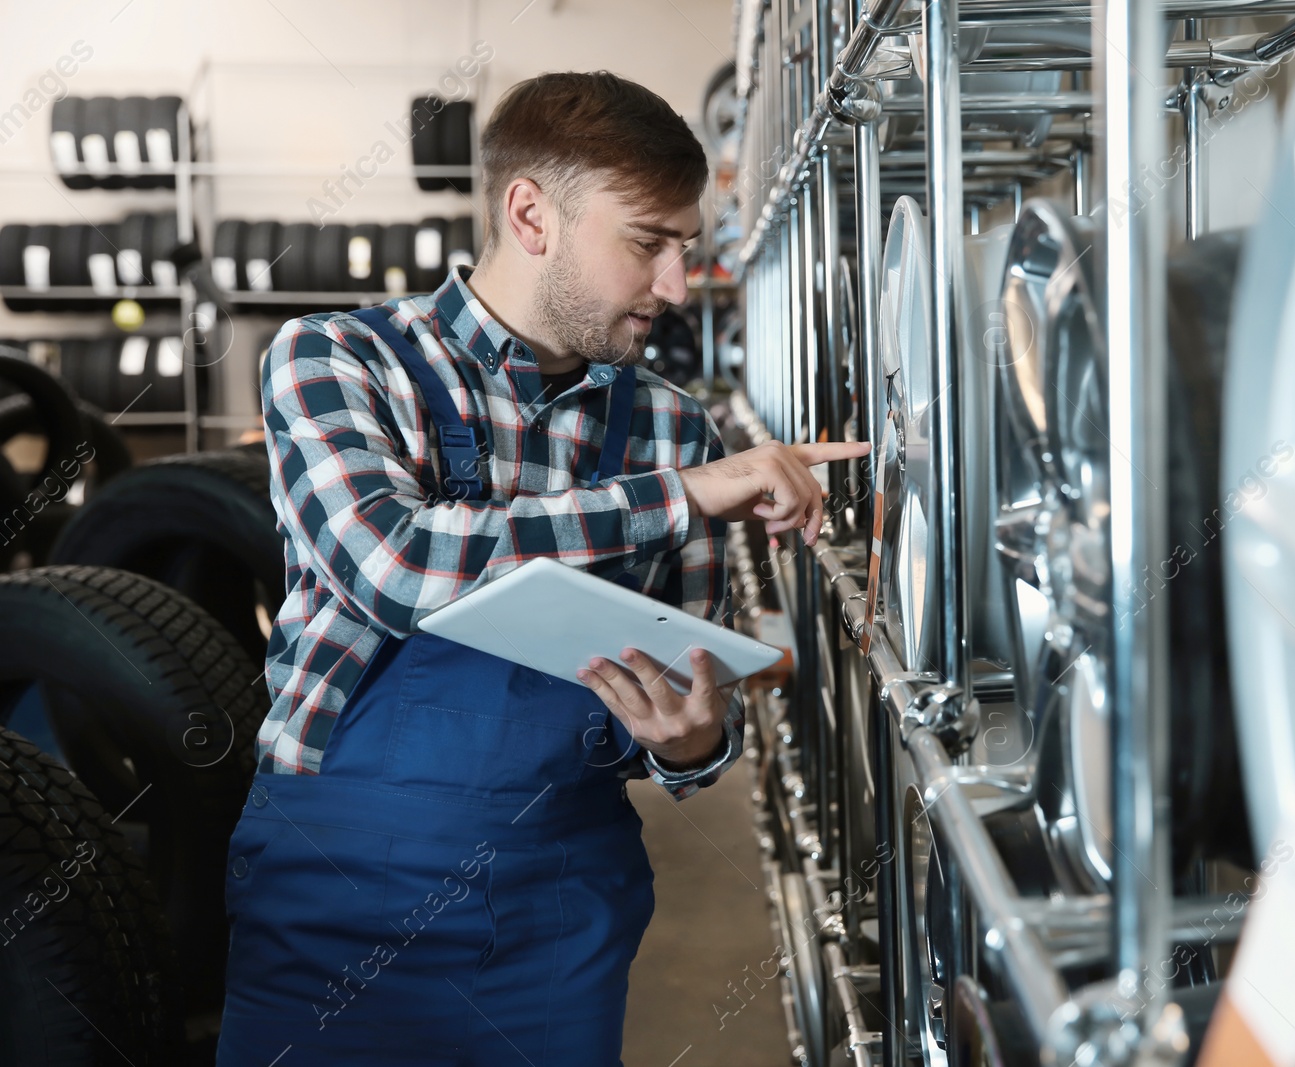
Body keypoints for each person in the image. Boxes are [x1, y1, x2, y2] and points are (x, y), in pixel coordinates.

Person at [215, 71, 867, 1066]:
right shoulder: (340, 360)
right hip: (336, 892)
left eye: (685, 247)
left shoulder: (669, 426)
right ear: (530, 214)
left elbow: (686, 725)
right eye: (647, 241)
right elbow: (398, 565)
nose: (676, 286)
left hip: (558, 904)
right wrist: (683, 493)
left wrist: (692, 740)